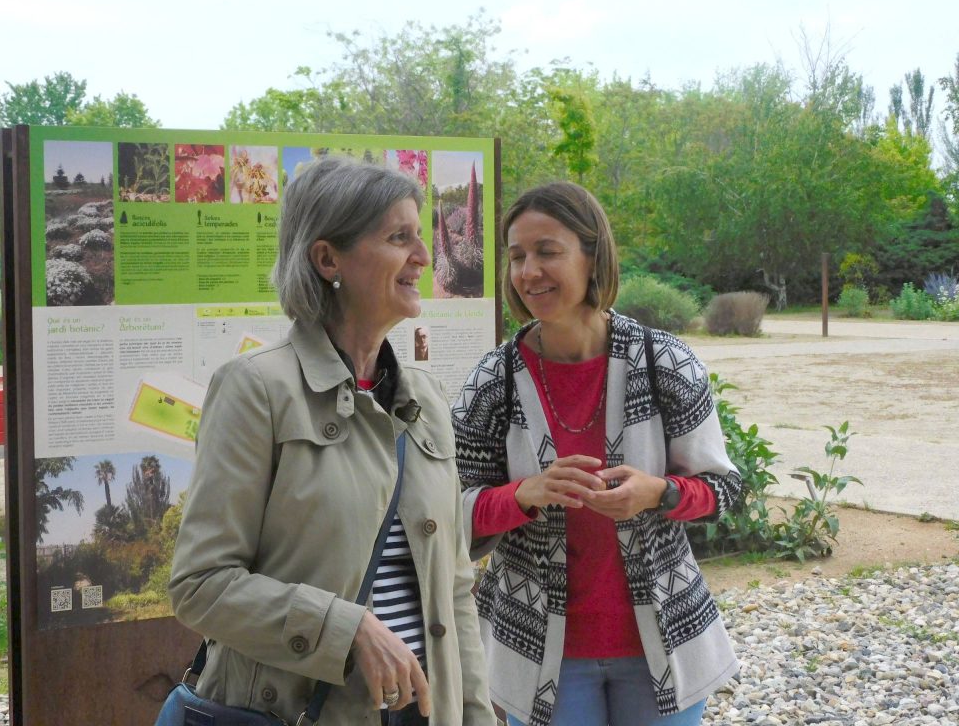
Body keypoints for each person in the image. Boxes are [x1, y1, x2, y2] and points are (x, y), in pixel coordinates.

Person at [170, 157, 497, 726]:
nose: (423, 256)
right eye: (399, 237)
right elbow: (201, 585)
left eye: (419, 237)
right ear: (328, 259)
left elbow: (457, 589)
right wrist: (344, 630)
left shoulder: (427, 397)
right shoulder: (257, 390)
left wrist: (474, 716)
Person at [451, 181, 741, 726]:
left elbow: (728, 490)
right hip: (538, 651)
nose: (528, 271)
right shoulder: (493, 383)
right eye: (517, 257)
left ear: (592, 255)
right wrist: (524, 495)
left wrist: (661, 492)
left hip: (665, 639)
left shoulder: (665, 363)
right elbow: (448, 515)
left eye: (547, 252)